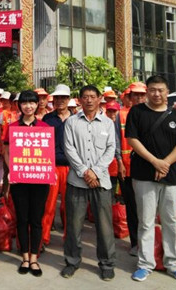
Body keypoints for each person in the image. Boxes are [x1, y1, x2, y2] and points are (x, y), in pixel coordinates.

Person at [126, 75, 176, 283]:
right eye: (152, 90)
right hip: (143, 175)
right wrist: (155, 162)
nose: (156, 94)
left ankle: (174, 263)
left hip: (170, 175)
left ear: (167, 92)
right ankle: (145, 264)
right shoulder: (137, 112)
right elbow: (132, 139)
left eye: (160, 90)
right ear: (147, 91)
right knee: (146, 221)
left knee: (170, 220)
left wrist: (165, 163)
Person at [62, 85, 116, 281]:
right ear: (79, 100)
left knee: (104, 226)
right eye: (85, 97)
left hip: (101, 182)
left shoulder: (108, 123)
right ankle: (72, 261)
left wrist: (95, 172)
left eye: (93, 96)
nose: (89, 100)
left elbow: (111, 149)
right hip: (77, 181)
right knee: (74, 225)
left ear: (100, 98)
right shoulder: (71, 122)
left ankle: (107, 264)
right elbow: (68, 148)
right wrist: (85, 171)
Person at [3, 90, 50, 277]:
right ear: (19, 105)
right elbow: (6, 151)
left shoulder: (44, 127)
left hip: (39, 180)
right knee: (22, 218)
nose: (28, 106)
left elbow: (48, 154)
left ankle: (34, 258)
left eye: (32, 102)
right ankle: (24, 257)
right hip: (19, 179)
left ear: (37, 105)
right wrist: (13, 169)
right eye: (25, 103)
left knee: (36, 220)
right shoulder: (13, 127)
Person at [118, 82, 147, 256]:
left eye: (142, 95)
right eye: (135, 95)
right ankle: (135, 242)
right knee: (132, 207)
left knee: (147, 208)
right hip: (127, 168)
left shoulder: (151, 114)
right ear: (130, 97)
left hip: (147, 168)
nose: (139, 98)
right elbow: (116, 140)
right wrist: (120, 162)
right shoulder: (120, 115)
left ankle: (148, 242)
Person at [41, 84, 71, 247]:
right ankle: (44, 238)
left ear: (68, 99)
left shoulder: (76, 119)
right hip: (51, 166)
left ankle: (69, 238)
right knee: (49, 204)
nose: (60, 100)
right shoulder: (48, 119)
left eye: (63, 98)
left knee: (69, 205)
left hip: (71, 167)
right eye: (57, 98)